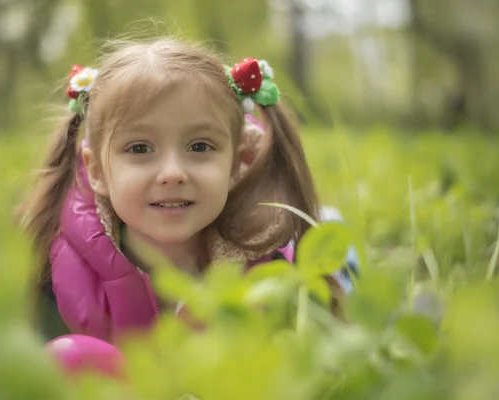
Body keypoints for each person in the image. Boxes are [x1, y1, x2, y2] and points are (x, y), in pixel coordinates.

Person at [21, 38, 353, 343]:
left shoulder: (274, 264)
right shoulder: (56, 273)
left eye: (199, 146)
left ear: (238, 163)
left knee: (332, 240)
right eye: (139, 149)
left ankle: (336, 233)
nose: (172, 173)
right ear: (97, 171)